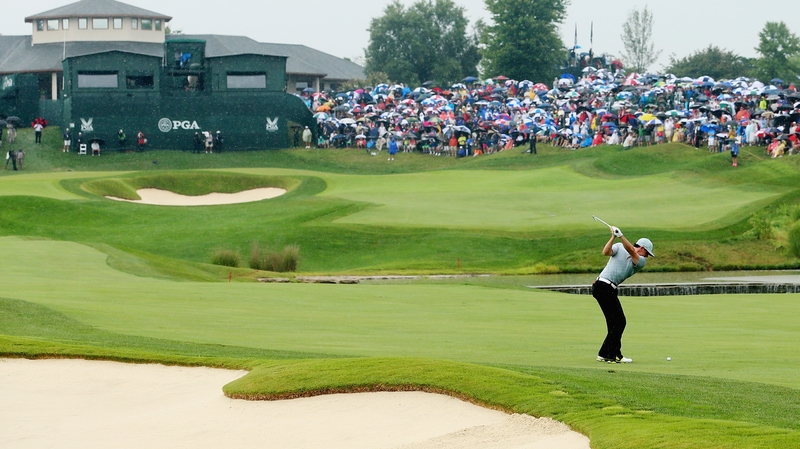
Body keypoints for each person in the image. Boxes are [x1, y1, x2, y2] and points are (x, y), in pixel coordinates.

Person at [592, 224, 654, 364]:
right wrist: (613, 237)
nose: (647, 257)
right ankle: (610, 355)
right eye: (647, 253)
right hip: (602, 286)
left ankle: (607, 353)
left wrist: (620, 235)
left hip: (608, 288)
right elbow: (606, 252)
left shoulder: (640, 261)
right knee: (619, 322)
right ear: (643, 248)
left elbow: (632, 251)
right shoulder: (620, 246)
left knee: (616, 322)